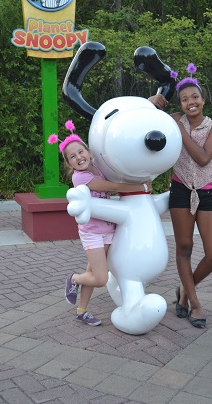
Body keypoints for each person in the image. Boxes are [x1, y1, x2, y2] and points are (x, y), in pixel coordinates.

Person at [48, 121, 152, 326]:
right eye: (72, 156)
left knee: (93, 273)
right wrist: (139, 186)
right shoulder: (82, 178)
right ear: (69, 164)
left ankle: (82, 311)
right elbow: (112, 186)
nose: (79, 157)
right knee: (101, 278)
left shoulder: (97, 166)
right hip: (93, 232)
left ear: (89, 151)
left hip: (108, 229)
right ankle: (74, 279)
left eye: (81, 152)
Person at [148, 67, 212, 328]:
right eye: (184, 99)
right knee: (184, 249)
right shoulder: (173, 119)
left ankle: (183, 290)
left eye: (195, 97)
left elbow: (203, 158)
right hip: (180, 191)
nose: (191, 102)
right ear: (179, 103)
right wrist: (150, 102)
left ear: (202, 100)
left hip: (206, 193)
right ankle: (194, 303)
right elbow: (145, 118)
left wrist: (179, 129)